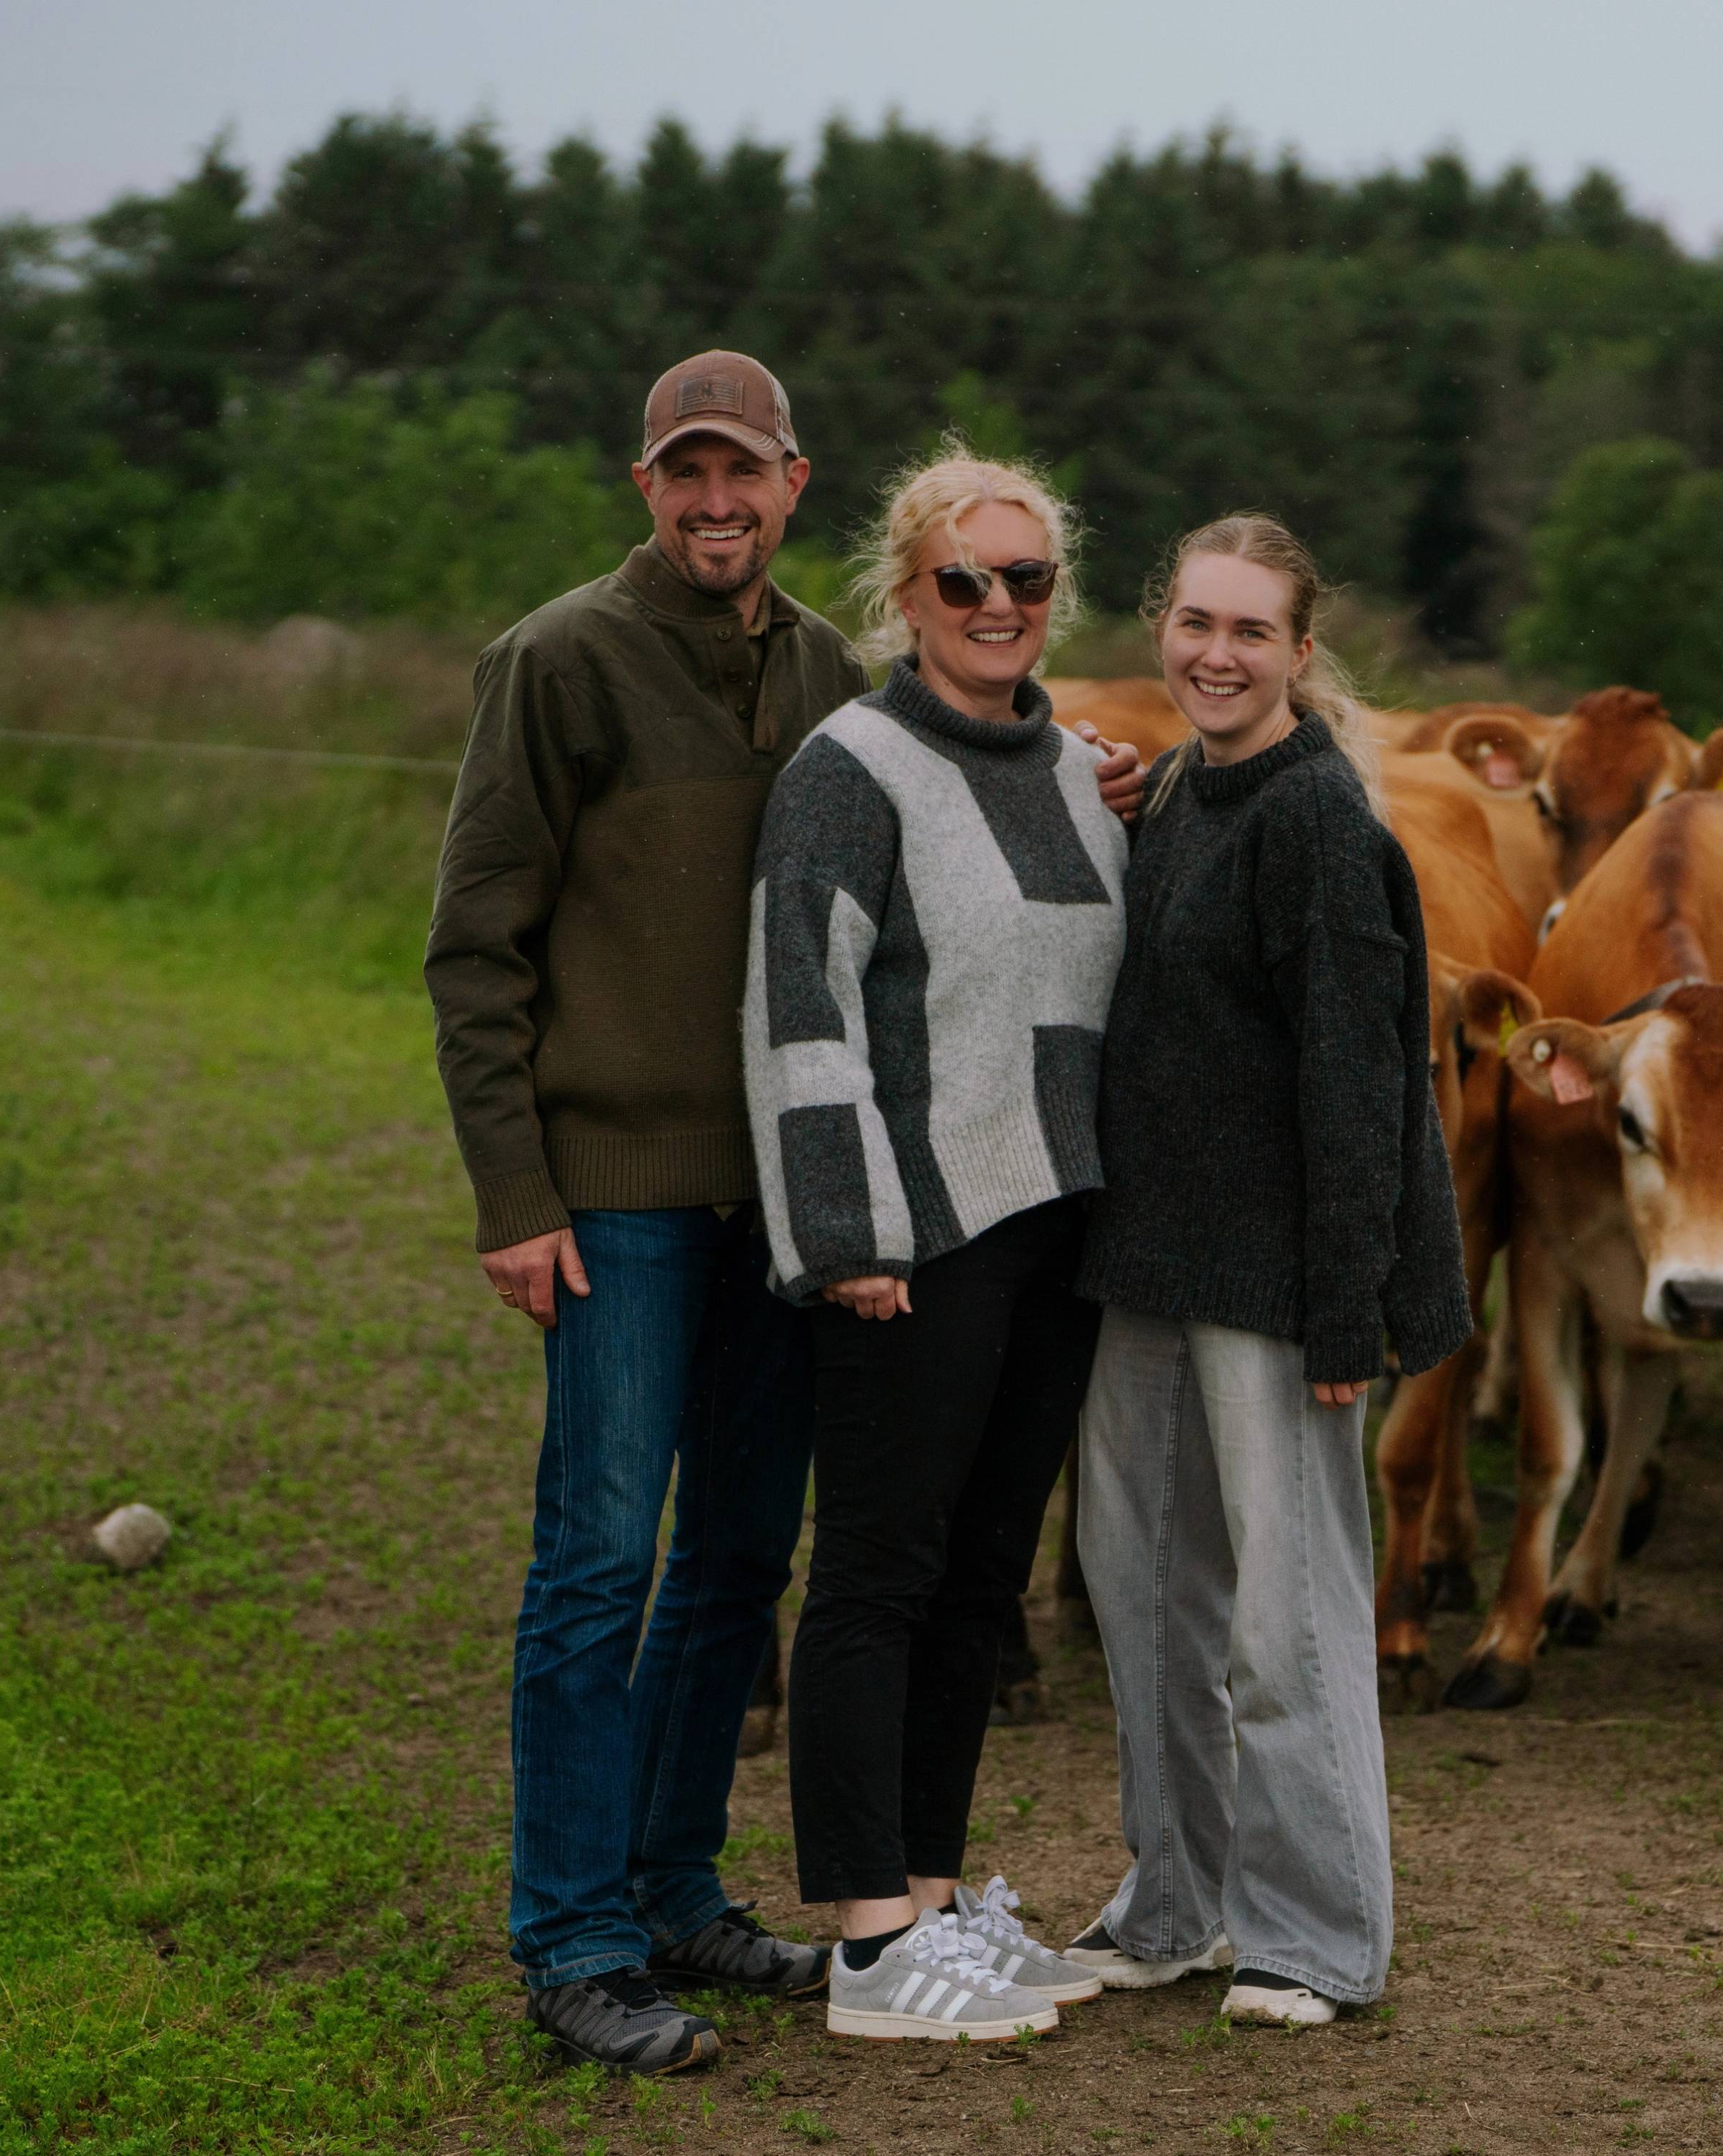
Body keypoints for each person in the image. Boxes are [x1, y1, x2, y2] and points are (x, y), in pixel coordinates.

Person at [425, 356, 1138, 2075]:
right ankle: (575, 1936)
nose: (714, 503)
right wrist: (513, 1191)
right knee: (598, 1563)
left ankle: (675, 1888)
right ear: (645, 483)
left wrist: (1094, 781)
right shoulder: (556, 661)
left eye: (740, 473)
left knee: (740, 1564)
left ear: (794, 484)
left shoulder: (829, 672)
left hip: (788, 1201)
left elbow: (960, 785)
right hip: (621, 1191)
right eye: (686, 476)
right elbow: (476, 941)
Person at [1066, 514, 1471, 2026]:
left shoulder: (1315, 820)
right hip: (1147, 1261)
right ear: (1160, 626)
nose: (1213, 654)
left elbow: (1360, 1082)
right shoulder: (1173, 790)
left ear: (1300, 656)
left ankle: (1313, 1936)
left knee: (1281, 1620)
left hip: (1281, 1282)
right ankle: (1171, 1903)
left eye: (1248, 631)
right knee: (1146, 1598)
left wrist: (1343, 1304)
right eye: (1192, 622)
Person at [743, 450, 1126, 2042]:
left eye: (1023, 580)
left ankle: (938, 1896)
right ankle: (864, 1942)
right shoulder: (848, 768)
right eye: (961, 579)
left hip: (1054, 1228)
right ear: (902, 595)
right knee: (878, 1577)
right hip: (914, 1228)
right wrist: (840, 1227)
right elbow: (798, 1005)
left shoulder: (1072, 771)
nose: (994, 606)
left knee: (980, 1580)